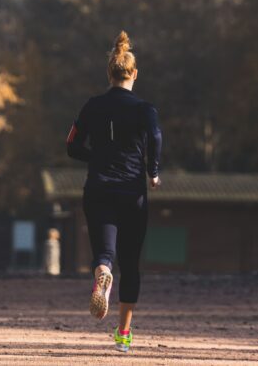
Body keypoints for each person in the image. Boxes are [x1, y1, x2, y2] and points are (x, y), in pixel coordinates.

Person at [66, 31, 163, 354]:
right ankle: (123, 332)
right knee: (131, 263)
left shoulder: (93, 106)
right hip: (132, 191)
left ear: (109, 74)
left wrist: (97, 157)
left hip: (99, 188)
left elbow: (72, 145)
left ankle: (102, 274)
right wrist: (153, 171)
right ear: (134, 74)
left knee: (104, 254)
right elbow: (156, 137)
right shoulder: (145, 109)